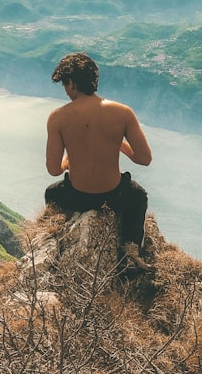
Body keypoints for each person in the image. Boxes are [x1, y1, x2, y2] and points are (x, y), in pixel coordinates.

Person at [44, 52, 153, 271]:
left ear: (72, 83)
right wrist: (119, 143)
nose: (65, 90)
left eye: (65, 84)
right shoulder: (122, 113)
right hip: (115, 197)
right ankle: (130, 250)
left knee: (52, 192)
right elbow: (144, 159)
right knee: (139, 196)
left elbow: (54, 170)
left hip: (77, 198)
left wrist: (67, 161)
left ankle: (61, 236)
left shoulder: (57, 118)